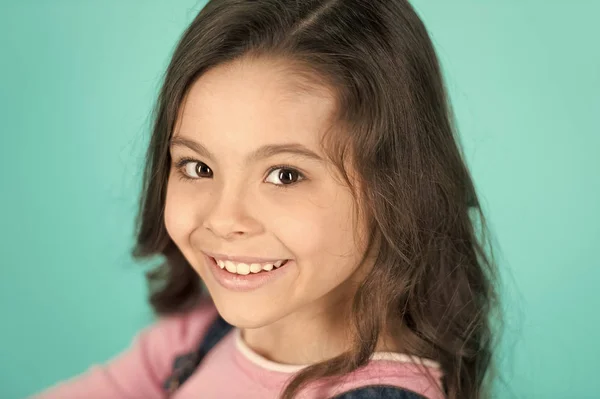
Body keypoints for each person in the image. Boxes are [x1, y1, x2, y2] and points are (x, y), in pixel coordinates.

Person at [33, 0, 500, 398]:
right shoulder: (197, 337)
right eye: (198, 167)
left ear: (397, 187)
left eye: (284, 174)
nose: (224, 218)